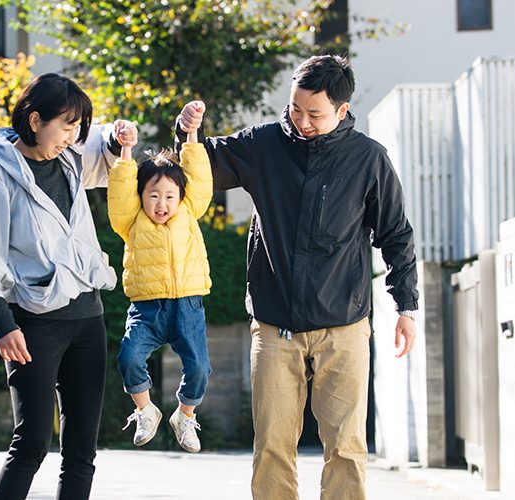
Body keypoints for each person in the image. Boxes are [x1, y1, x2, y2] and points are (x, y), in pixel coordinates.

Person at [175, 55, 419, 500]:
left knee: (346, 447)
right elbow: (200, 168)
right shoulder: (264, 144)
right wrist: (187, 133)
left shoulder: (368, 159)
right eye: (295, 109)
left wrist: (406, 306)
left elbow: (396, 235)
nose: (302, 121)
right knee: (272, 446)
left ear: (342, 110)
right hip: (274, 326)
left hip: (344, 325)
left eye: (315, 114)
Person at [0, 73, 138, 500]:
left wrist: (118, 135)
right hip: (33, 324)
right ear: (35, 120)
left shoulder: (69, 159)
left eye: (78, 128)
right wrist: (3, 325)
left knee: (81, 451)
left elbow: (101, 151)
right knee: (32, 442)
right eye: (66, 126)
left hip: (87, 319)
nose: (72, 137)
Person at [107, 102, 213, 454]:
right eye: (153, 195)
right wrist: (126, 150)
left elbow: (199, 177)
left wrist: (192, 134)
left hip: (188, 304)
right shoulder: (130, 220)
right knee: (128, 357)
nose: (161, 203)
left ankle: (185, 415)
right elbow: (120, 192)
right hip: (147, 309)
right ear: (141, 197)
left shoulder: (190, 210)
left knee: (199, 367)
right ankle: (145, 410)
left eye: (169, 196)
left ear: (181, 197)